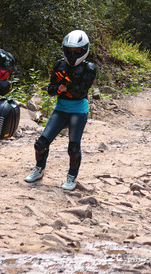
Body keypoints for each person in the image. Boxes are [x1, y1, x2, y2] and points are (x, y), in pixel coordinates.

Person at [24, 29, 97, 189]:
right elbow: (50, 89)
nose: (72, 54)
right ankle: (39, 169)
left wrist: (65, 85)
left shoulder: (89, 68)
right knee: (40, 143)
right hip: (61, 110)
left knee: (73, 147)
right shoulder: (60, 64)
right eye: (69, 50)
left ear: (84, 50)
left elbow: (80, 92)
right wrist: (61, 88)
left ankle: (71, 177)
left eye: (76, 51)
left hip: (78, 112)